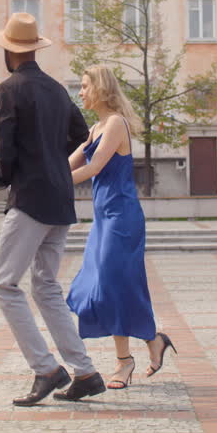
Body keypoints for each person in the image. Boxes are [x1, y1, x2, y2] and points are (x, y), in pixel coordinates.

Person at [0, 12, 106, 406]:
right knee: (46, 287)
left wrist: (6, 176)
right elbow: (82, 136)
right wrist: (56, 165)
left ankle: (46, 369)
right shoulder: (57, 90)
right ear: (34, 49)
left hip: (31, 197)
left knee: (3, 283)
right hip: (60, 199)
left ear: (9, 51)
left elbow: (5, 148)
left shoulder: (9, 89)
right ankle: (85, 372)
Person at [66, 65, 176, 389]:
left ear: (100, 88)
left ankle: (124, 360)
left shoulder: (115, 124)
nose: (81, 92)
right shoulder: (96, 127)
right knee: (100, 285)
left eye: (85, 86)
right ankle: (152, 340)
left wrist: (54, 184)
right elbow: (71, 162)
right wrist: (40, 175)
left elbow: (94, 166)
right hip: (105, 220)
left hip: (122, 219)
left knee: (113, 284)